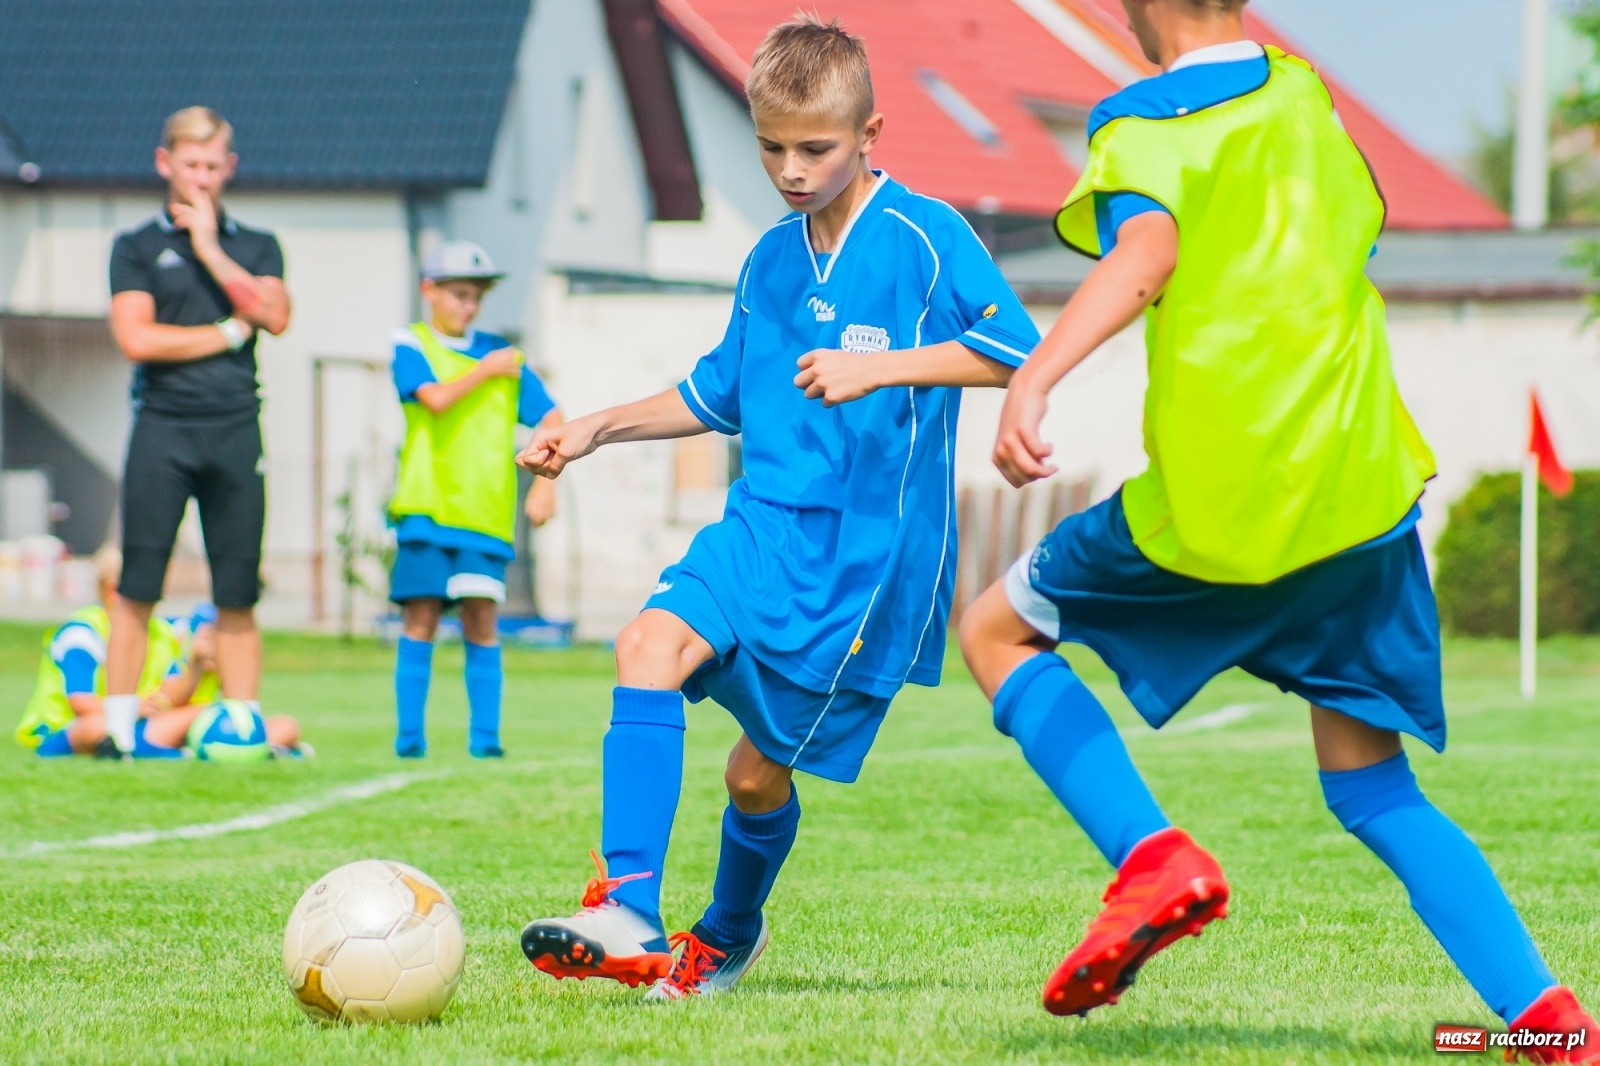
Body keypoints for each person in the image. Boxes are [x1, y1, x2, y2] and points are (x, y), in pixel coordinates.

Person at [955, 0, 1599, 1056]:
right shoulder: (1311, 101)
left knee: (994, 630)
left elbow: (1145, 255)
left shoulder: (1140, 124)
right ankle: (1551, 1023)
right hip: (1358, 501)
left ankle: (1150, 855)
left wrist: (1032, 379)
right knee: (1370, 782)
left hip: (1221, 507)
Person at [514, 16, 1040, 999]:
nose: (790, 170)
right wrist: (591, 428)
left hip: (865, 566)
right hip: (759, 527)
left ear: (869, 132)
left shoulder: (928, 239)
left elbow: (1016, 348)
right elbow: (716, 395)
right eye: (769, 147)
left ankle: (727, 930)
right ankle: (626, 909)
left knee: (753, 779)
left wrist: (879, 368)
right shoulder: (767, 259)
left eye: (814, 148)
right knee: (646, 646)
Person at [104, 106, 291, 758]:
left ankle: (242, 729)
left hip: (237, 430)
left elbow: (274, 313)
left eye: (214, 166)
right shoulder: (133, 247)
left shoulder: (256, 245)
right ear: (165, 164)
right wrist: (223, 334)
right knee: (137, 585)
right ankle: (119, 733)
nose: (203, 178)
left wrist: (210, 246)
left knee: (237, 587)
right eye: (191, 165)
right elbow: (136, 337)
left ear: (229, 168)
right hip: (162, 431)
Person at [387, 240, 561, 759]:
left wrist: (548, 485)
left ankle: (485, 740)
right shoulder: (412, 343)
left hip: (485, 515)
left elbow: (553, 418)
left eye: (476, 296)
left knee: (481, 619)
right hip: (426, 508)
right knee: (419, 618)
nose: (468, 306)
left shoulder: (506, 357)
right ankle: (409, 739)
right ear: (429, 291)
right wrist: (485, 369)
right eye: (459, 293)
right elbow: (434, 399)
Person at [13, 549, 300, 758]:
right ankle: (173, 750)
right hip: (67, 731)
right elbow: (80, 703)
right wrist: (131, 708)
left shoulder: (159, 632)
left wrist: (196, 666)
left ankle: (244, 747)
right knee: (97, 727)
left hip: (145, 724)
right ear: (114, 589)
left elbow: (171, 698)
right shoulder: (83, 632)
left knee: (284, 725)